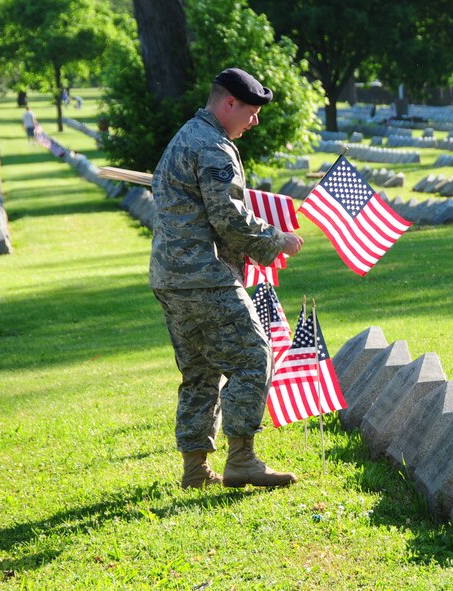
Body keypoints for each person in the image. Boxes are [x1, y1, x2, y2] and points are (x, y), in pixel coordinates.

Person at [150, 67, 304, 489]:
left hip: (171, 277)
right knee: (255, 357)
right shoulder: (213, 147)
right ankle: (242, 460)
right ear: (229, 103)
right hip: (206, 276)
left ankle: (195, 470)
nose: (254, 122)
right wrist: (276, 240)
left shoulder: (187, 136)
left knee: (199, 372)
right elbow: (229, 218)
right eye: (251, 112)